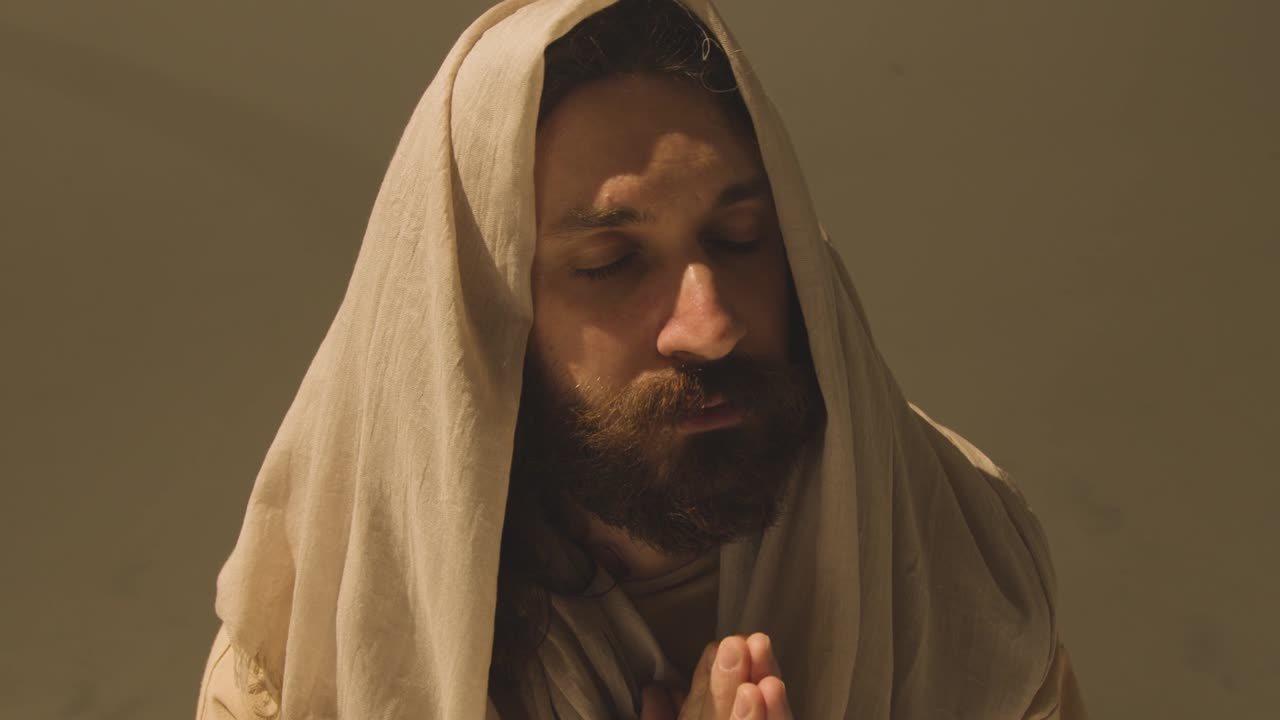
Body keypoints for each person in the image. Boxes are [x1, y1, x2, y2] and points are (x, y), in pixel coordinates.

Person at [196, 1, 1088, 718]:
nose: (708, 326)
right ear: (480, 314)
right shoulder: (316, 632)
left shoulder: (948, 545)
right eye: (611, 265)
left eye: (741, 239)